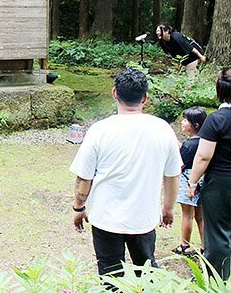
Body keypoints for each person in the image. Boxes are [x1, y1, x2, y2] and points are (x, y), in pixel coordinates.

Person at [70, 68, 181, 276]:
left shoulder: (99, 131)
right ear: (145, 98)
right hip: (144, 217)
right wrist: (168, 208)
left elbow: (84, 178)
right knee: (146, 272)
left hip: (106, 217)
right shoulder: (163, 129)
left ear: (115, 93)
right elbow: (172, 175)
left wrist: (78, 207)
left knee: (111, 275)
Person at [187, 67, 231, 279]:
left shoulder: (216, 119)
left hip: (220, 183)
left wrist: (193, 181)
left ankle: (218, 281)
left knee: (217, 234)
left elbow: (203, 156)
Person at [172, 106, 207, 256]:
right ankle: (206, 246)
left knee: (187, 214)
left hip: (188, 181)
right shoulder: (205, 142)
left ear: (195, 125)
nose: (182, 122)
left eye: (186, 120)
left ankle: (184, 245)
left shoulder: (189, 145)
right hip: (202, 181)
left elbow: (180, 164)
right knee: (200, 216)